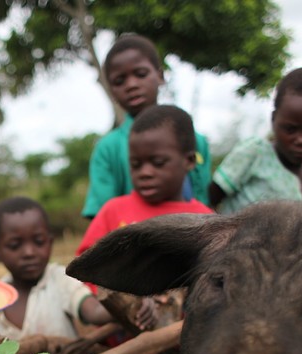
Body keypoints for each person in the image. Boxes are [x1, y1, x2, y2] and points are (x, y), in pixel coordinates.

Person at [77, 105, 214, 335]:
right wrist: (128, 299)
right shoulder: (114, 211)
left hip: (182, 343)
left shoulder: (206, 221)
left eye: (158, 162)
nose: (145, 172)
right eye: (136, 164)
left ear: (189, 161)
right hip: (120, 342)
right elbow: (86, 270)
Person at [82, 34, 213, 219]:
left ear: (160, 75)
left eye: (140, 74)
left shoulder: (195, 140)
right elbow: (101, 218)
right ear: (111, 91)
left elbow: (203, 202)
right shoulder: (107, 149)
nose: (132, 85)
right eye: (120, 81)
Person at [208, 67, 302, 214]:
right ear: (273, 119)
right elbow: (210, 199)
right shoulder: (254, 153)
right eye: (290, 129)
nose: (301, 140)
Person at [0, 196, 114, 345]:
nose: (29, 252)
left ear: (50, 242)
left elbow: (94, 312)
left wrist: (134, 304)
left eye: (39, 241)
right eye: (15, 245)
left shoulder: (61, 279)